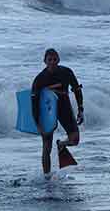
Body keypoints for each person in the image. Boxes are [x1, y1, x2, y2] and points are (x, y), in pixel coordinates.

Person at [31, 47, 83, 175]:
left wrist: (80, 109)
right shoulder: (40, 79)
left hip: (64, 107)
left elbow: (77, 89)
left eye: (55, 59)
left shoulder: (67, 72)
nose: (53, 62)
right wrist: (38, 124)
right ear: (45, 61)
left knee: (75, 139)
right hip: (47, 111)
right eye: (50, 60)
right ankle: (47, 177)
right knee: (47, 146)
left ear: (59, 59)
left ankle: (61, 144)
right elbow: (34, 103)